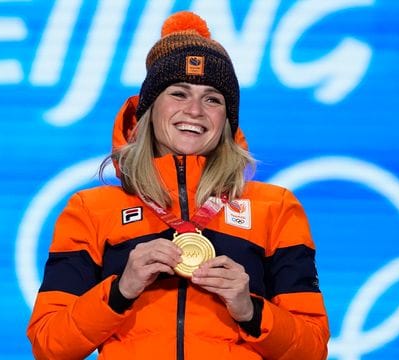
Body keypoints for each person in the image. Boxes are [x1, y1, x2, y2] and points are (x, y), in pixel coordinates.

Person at [27, 11, 329, 360]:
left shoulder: (275, 208)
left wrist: (249, 309)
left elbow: (312, 349)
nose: (196, 111)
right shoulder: (90, 210)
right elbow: (49, 345)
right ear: (149, 110)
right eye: (179, 93)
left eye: (213, 98)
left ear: (227, 121)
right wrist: (121, 289)